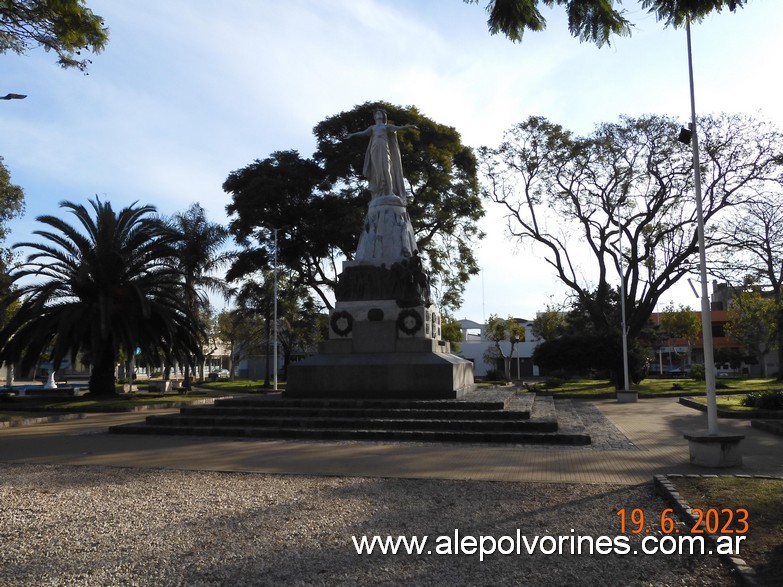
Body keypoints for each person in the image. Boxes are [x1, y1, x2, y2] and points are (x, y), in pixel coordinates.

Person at [345, 108, 417, 199]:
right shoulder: (373, 128)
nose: (378, 115)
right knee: (377, 171)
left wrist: (409, 127)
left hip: (384, 148)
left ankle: (390, 192)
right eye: (376, 114)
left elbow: (399, 128)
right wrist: (352, 134)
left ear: (383, 116)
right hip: (374, 149)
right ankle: (380, 192)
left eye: (380, 113)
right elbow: (363, 133)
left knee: (386, 169)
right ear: (374, 117)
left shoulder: (387, 127)